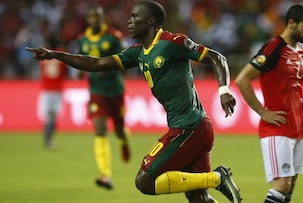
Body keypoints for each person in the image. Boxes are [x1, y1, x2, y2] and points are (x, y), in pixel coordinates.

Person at [26, 1, 241, 203]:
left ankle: (217, 178)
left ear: (150, 21)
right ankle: (215, 179)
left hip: (189, 128)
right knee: (198, 199)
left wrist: (223, 90)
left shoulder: (172, 42)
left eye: (134, 17)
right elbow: (96, 63)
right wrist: (55, 54)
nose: (129, 21)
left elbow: (217, 58)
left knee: (144, 181)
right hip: (195, 128)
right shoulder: (138, 53)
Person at [234, 3, 303, 203]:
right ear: (291, 23)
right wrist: (263, 112)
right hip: (277, 126)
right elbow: (242, 79)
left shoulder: (300, 52)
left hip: (298, 125)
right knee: (282, 183)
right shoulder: (273, 48)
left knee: (290, 185)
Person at [77, 7, 131, 190]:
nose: (94, 19)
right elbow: (80, 59)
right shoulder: (82, 40)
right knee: (100, 129)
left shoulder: (113, 38)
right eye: (91, 15)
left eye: (97, 16)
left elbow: (125, 61)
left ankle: (124, 140)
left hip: (114, 91)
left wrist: (107, 67)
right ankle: (105, 175)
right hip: (96, 92)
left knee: (118, 130)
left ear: (103, 19)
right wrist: (79, 72)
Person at [37, 33, 67, 149]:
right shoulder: (61, 54)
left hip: (46, 89)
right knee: (53, 116)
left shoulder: (43, 55)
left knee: (49, 116)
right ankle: (48, 140)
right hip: (57, 90)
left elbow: (40, 63)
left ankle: (48, 140)